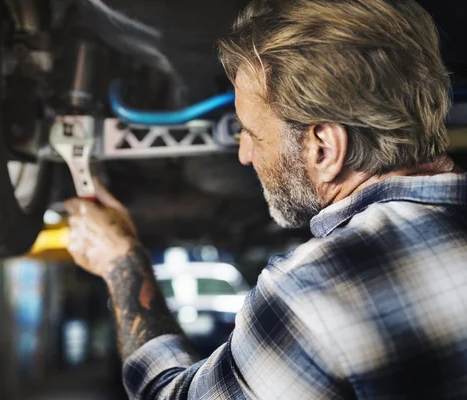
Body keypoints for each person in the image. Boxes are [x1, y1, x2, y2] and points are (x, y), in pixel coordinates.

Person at [64, 0, 467, 398]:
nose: (244, 153)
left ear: (322, 148)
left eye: (253, 134)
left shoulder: (314, 293)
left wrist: (121, 263)